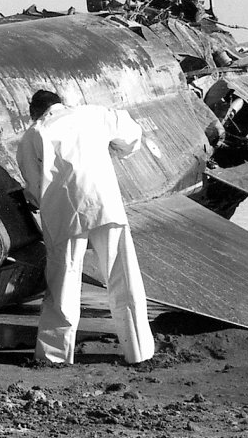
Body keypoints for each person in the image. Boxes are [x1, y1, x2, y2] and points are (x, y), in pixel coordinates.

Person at [15, 88, 155, 368]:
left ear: (35, 111)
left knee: (63, 283)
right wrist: (119, 150)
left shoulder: (33, 134)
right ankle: (139, 352)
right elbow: (131, 135)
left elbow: (33, 184)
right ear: (60, 102)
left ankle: (54, 356)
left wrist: (35, 199)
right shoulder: (93, 114)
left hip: (64, 211)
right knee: (123, 277)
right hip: (105, 204)